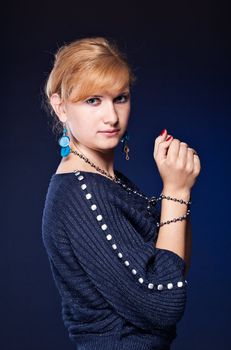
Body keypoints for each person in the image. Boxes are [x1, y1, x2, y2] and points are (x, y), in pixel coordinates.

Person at [41, 36, 201, 350]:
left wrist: (180, 190)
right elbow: (164, 302)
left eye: (120, 98)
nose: (112, 117)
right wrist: (175, 191)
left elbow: (173, 271)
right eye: (92, 101)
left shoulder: (107, 181)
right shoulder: (81, 193)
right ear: (60, 107)